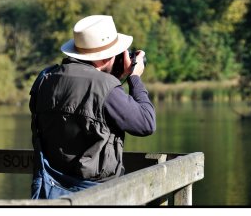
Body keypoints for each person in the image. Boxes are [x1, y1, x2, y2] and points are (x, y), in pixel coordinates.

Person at [30, 15, 156, 199]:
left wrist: (113, 81)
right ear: (106, 57)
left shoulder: (45, 79)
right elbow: (146, 123)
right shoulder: (105, 88)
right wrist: (134, 78)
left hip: (49, 191)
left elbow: (83, 103)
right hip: (97, 195)